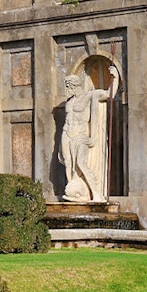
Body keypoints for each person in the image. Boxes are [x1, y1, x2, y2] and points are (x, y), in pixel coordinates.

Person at [59, 65, 120, 202]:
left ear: (75, 86)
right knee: (68, 163)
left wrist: (115, 77)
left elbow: (109, 94)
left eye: (68, 87)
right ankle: (72, 190)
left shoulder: (90, 96)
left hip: (81, 136)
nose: (67, 91)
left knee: (81, 162)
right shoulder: (69, 102)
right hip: (66, 134)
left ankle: (96, 193)